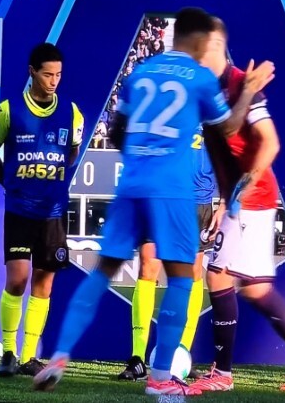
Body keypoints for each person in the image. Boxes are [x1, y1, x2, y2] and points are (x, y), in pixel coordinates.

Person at [33, 7, 271, 397]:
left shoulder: (141, 73)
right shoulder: (199, 78)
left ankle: (59, 357)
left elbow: (117, 132)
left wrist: (143, 153)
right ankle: (160, 376)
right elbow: (228, 127)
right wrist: (247, 91)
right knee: (181, 277)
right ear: (201, 41)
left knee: (103, 270)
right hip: (172, 188)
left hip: (131, 183)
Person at [188, 18, 285, 394]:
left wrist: (242, 190)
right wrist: (224, 198)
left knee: (218, 275)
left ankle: (222, 373)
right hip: (242, 198)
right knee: (254, 288)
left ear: (216, 48)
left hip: (253, 198)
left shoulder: (239, 84)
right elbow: (223, 148)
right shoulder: (208, 91)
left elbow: (270, 142)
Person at [0, 42, 85, 378]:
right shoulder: (8, 111)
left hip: (52, 212)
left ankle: (29, 356)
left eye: (58, 75)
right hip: (19, 209)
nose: (54, 81)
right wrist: (8, 181)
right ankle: (7, 352)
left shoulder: (72, 113)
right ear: (32, 72)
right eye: (47, 74)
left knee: (44, 283)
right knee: (17, 279)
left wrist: (56, 178)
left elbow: (72, 153)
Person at [117, 125, 216, 381]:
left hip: (198, 200)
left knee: (192, 274)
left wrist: (225, 201)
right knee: (148, 266)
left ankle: (182, 354)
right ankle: (137, 358)